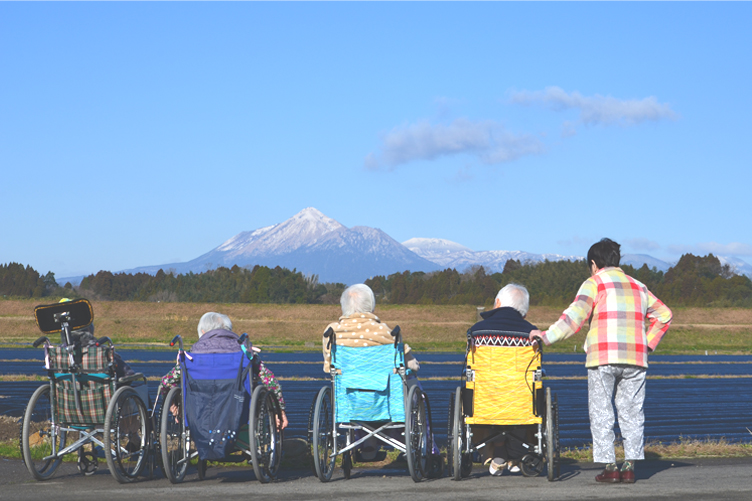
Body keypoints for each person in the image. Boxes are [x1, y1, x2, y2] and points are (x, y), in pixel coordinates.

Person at [528, 238, 672, 484]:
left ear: (594, 264)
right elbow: (665, 315)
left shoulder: (594, 283)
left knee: (601, 411)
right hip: (636, 358)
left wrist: (544, 336)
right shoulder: (640, 287)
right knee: (632, 412)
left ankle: (610, 467)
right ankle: (629, 467)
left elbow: (573, 319)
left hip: (603, 357)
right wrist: (647, 344)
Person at [322, 283, 431, 460]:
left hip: (350, 400)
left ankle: (368, 446)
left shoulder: (332, 333)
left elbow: (329, 368)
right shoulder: (386, 332)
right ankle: (417, 446)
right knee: (402, 382)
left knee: (361, 387)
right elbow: (410, 364)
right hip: (385, 401)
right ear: (371, 305)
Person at [160, 312, 288, 430]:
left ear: (203, 331)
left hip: (200, 412)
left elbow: (165, 382)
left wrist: (173, 405)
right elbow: (270, 381)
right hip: (237, 411)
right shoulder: (243, 353)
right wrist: (279, 411)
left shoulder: (192, 355)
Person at [468, 283, 537, 476]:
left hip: (486, 400)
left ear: (497, 303)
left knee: (484, 394)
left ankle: (497, 453)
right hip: (521, 401)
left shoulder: (476, 332)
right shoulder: (532, 334)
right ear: (524, 310)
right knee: (529, 395)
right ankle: (516, 453)